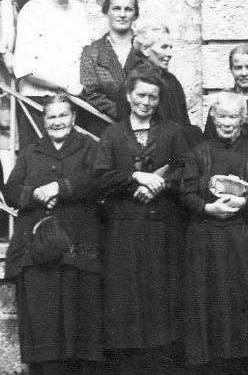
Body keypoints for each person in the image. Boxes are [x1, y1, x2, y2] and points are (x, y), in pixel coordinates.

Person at [181, 92, 248, 372]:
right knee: (213, 300)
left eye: (233, 117)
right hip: (208, 237)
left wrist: (245, 202)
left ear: (243, 119)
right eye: (222, 116)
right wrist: (207, 208)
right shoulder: (198, 153)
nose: (227, 123)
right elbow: (186, 193)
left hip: (246, 235)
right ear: (213, 117)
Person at [93, 65, 189, 373]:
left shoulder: (173, 132)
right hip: (124, 231)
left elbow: (188, 170)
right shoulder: (112, 134)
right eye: (141, 96)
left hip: (163, 228)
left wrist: (161, 183)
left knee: (161, 297)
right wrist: (135, 176)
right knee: (127, 298)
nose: (146, 103)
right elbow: (101, 177)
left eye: (153, 97)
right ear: (129, 96)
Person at [5, 95, 103, 373]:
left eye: (63, 115)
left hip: (77, 250)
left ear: (73, 118)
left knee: (78, 326)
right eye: (51, 116)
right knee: (43, 325)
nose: (57, 121)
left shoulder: (90, 148)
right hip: (37, 251)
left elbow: (100, 180)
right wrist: (34, 194)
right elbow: (11, 190)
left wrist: (62, 187)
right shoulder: (30, 151)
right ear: (43, 121)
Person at [13, 0, 90, 146]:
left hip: (73, 104)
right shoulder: (32, 11)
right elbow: (24, 68)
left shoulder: (80, 12)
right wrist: (63, 85)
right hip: (36, 104)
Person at [127, 23, 202, 146]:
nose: (170, 53)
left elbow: (184, 122)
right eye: (164, 47)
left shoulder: (172, 81)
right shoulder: (132, 84)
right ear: (145, 50)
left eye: (170, 47)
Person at [80, 0, 139, 128]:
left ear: (135, 15)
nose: (122, 14)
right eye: (116, 8)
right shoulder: (92, 52)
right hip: (105, 128)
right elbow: (91, 93)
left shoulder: (146, 49)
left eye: (128, 9)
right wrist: (123, 113)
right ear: (106, 12)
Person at [203, 44, 248, 152]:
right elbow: (208, 142)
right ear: (231, 70)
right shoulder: (222, 102)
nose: (243, 73)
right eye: (238, 68)